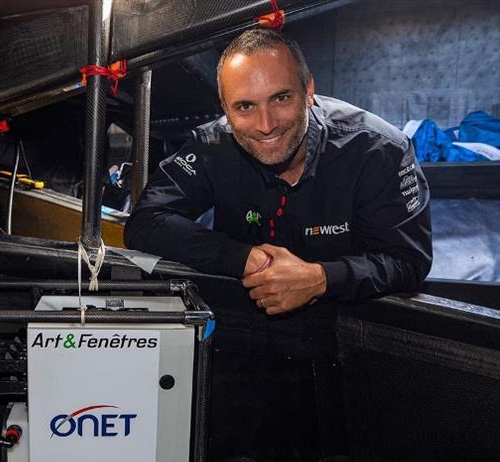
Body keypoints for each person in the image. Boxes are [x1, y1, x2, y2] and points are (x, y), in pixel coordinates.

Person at [124, 28, 432, 315]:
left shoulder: (378, 149)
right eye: (245, 106)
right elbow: (145, 223)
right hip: (243, 328)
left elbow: (408, 261)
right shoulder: (211, 146)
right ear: (225, 108)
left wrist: (322, 278)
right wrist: (243, 258)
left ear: (308, 90)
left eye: (281, 98)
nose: (266, 125)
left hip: (347, 330)